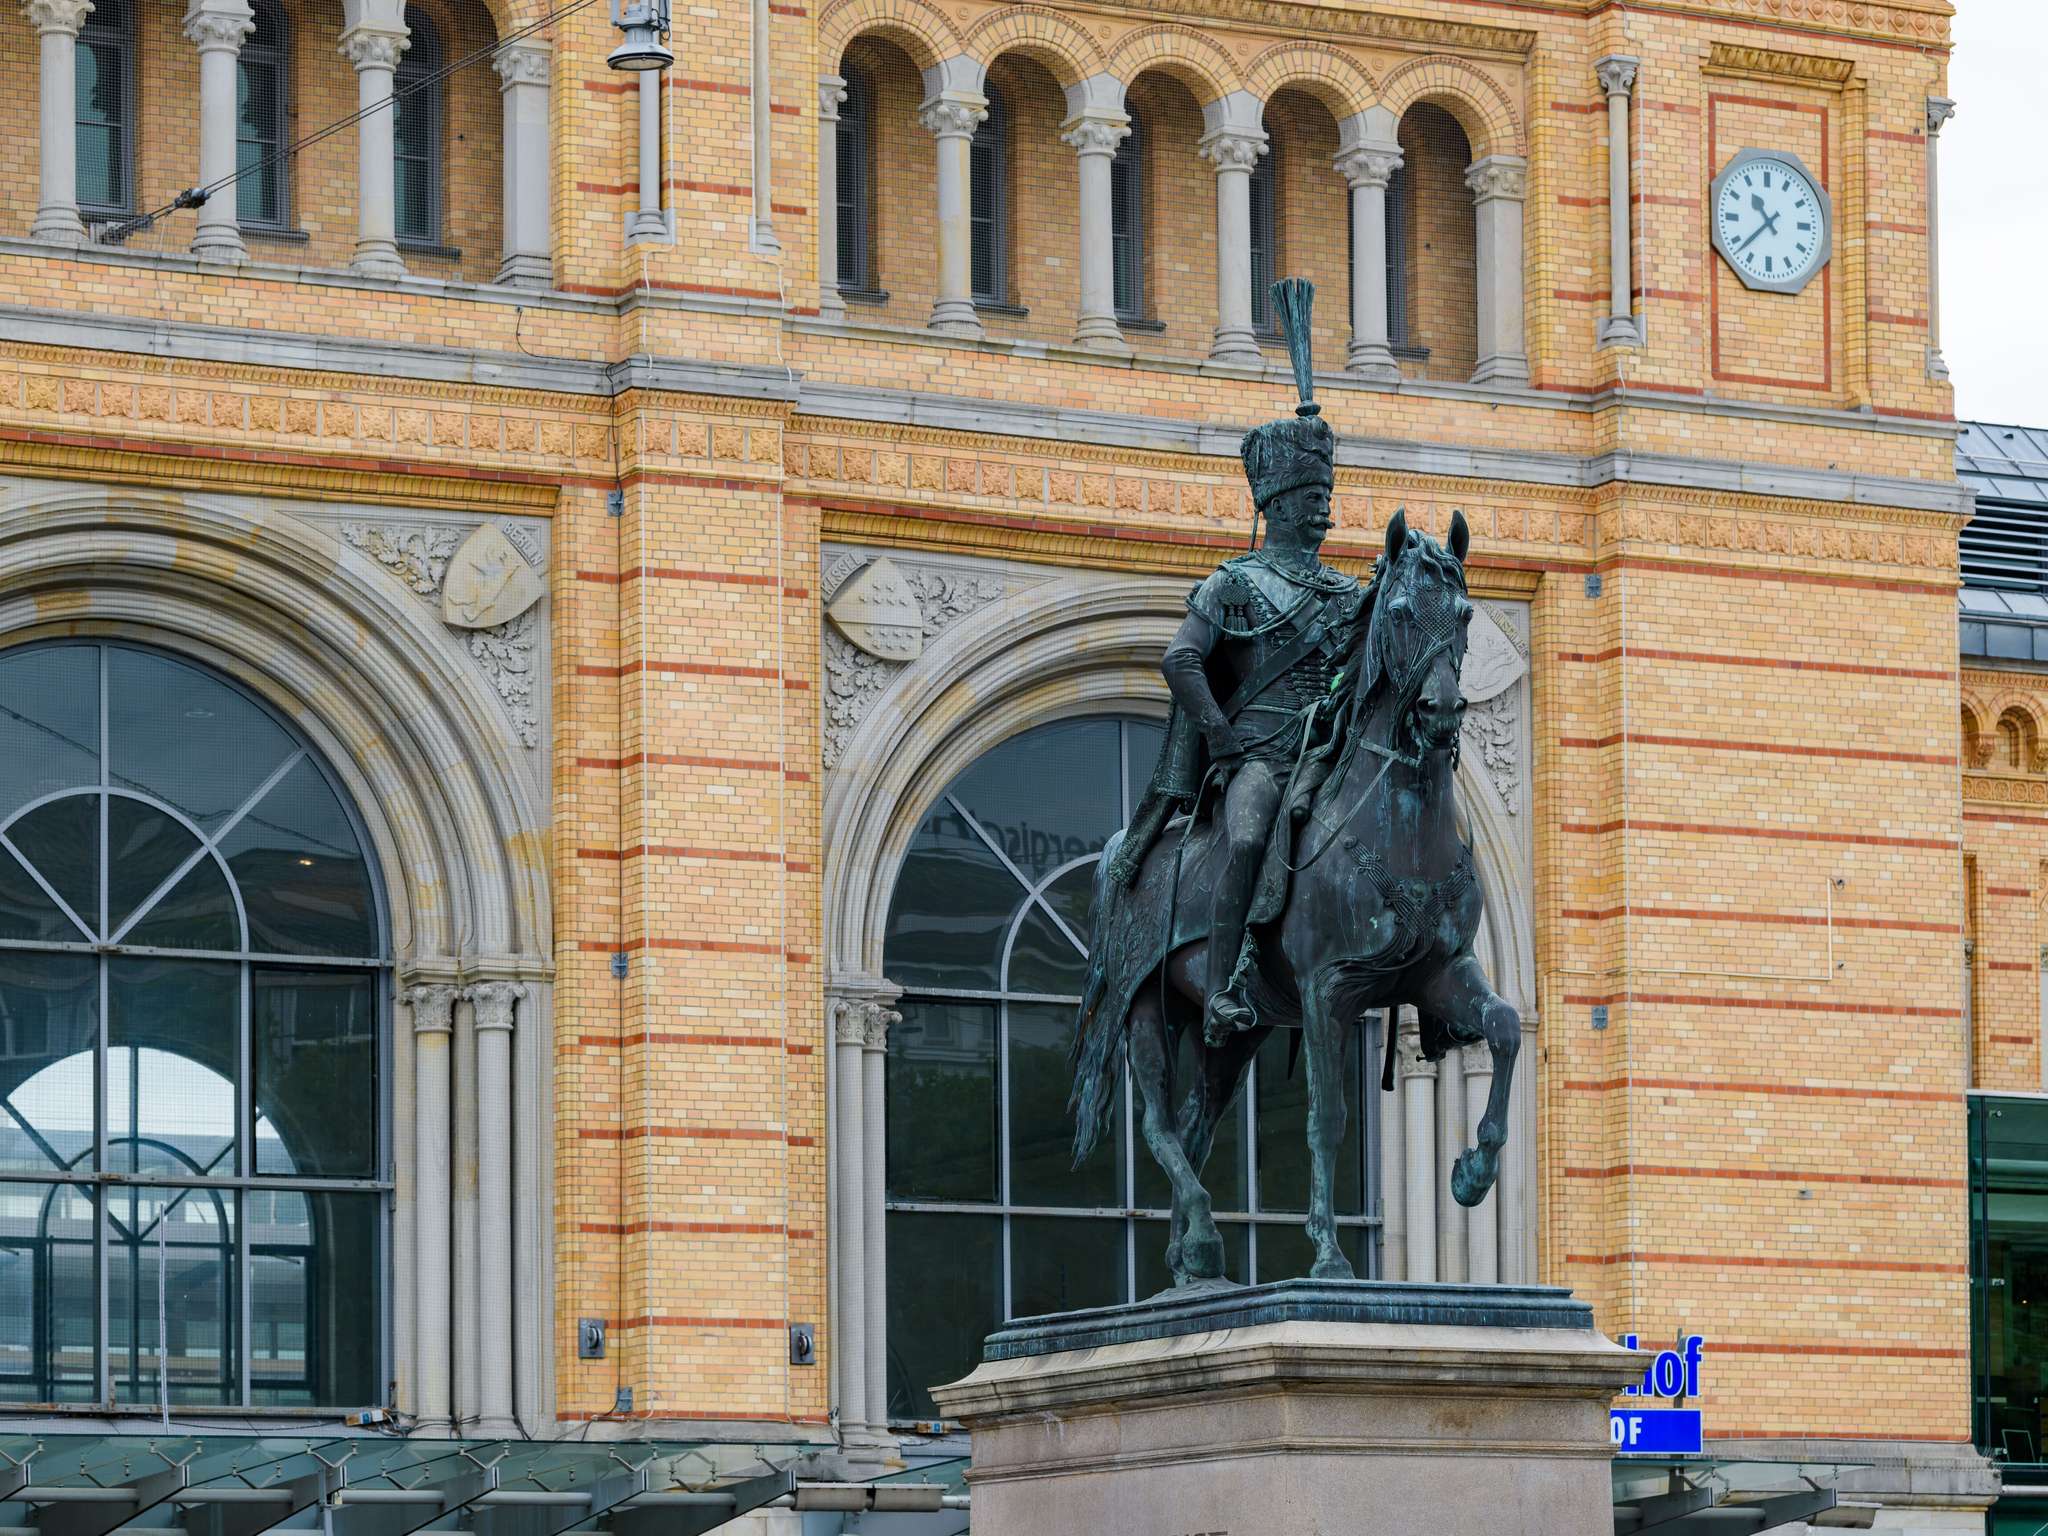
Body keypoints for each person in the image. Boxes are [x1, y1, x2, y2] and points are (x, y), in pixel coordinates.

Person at [1108, 280, 1366, 1044]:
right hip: (1254, 754)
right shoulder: (1235, 583)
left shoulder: (1346, 591)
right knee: (1249, 835)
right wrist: (1220, 734)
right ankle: (1221, 985)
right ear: (1276, 504)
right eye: (1307, 497)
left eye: (1326, 495)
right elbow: (1181, 661)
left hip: (1322, 754)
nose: (1321, 508)